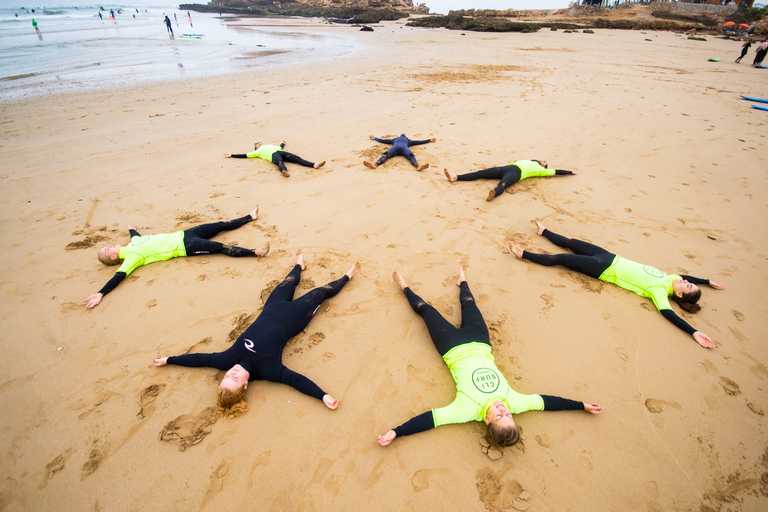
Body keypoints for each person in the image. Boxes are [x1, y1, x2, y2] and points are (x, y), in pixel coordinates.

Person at [377, 265, 602, 449]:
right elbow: (548, 402)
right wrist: (582, 405)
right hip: (480, 342)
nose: (504, 411)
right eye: (509, 417)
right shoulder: (514, 402)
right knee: (469, 304)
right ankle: (462, 281)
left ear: (487, 420)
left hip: (451, 347)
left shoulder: (467, 409)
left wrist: (397, 432)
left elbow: (429, 419)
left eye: (499, 417)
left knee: (425, 310)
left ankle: (403, 286)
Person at [153, 251, 361, 410]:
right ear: (245, 386)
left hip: (272, 307)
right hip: (296, 316)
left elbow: (198, 360)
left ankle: (299, 265)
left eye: (226, 377)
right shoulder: (267, 370)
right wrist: (322, 396)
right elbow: (296, 381)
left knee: (288, 282)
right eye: (235, 380)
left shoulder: (227, 360)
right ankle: (348, 276)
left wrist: (168, 360)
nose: (232, 373)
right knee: (321, 292)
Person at [509, 219, 725, 348]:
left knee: (562, 259)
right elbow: (689, 276)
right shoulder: (673, 278)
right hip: (610, 256)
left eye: (688, 286)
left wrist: (693, 331)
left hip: (603, 269)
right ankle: (544, 231)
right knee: (572, 243)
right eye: (688, 282)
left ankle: (523, 254)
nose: (686, 281)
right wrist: (704, 281)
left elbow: (670, 315)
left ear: (678, 295)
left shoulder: (659, 292)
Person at [84, 206, 270, 309]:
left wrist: (132, 229)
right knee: (220, 247)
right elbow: (118, 276)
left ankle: (249, 217)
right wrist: (101, 293)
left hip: (185, 234)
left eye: (106, 246)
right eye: (107, 250)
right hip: (186, 246)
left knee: (219, 225)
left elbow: (134, 236)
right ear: (114, 257)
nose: (108, 246)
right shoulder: (132, 257)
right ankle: (255, 252)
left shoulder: (133, 243)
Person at [444, 159, 577, 202]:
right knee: (481, 173)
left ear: (544, 166)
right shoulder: (529, 160)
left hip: (517, 173)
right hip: (507, 168)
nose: (543, 161)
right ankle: (456, 177)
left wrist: (570, 172)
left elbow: (556, 171)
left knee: (504, 183)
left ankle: (494, 194)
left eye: (545, 162)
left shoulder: (541, 170)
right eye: (542, 160)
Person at [225, 141, 325, 177]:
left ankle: (314, 164)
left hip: (280, 151)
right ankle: (284, 171)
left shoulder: (271, 145)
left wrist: (283, 143)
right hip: (273, 156)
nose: (258, 143)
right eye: (256, 143)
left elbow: (280, 147)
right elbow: (244, 155)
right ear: (256, 147)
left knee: (298, 159)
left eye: (259, 142)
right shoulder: (257, 152)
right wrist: (232, 155)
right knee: (280, 162)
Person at [364, 134, 436, 172]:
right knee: (411, 156)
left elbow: (384, 140)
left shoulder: (395, 139)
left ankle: (375, 164)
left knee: (385, 155)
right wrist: (429, 140)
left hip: (394, 148)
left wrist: (375, 138)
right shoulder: (408, 140)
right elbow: (418, 142)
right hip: (404, 149)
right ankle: (418, 166)